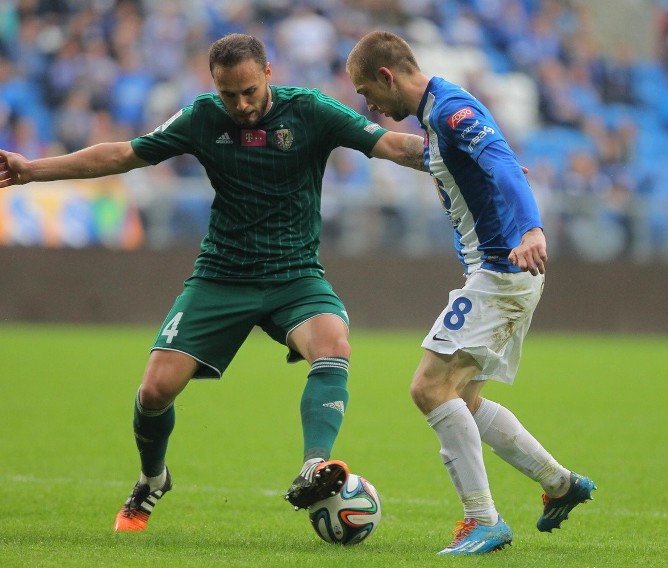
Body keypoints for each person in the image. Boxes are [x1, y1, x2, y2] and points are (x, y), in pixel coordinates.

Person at [0, 33, 425, 532]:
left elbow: (394, 144)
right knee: (156, 390)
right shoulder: (203, 117)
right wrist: (32, 169)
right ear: (214, 86)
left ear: (269, 73)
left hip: (295, 275)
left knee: (334, 344)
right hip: (223, 275)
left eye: (248, 91)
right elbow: (121, 155)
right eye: (229, 94)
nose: (241, 105)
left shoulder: (310, 110)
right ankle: (153, 478)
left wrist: (469, 152)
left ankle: (314, 464)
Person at [345, 31, 596, 555]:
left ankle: (483, 520)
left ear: (388, 77)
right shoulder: (436, 116)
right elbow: (478, 161)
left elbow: (502, 160)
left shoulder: (450, 110)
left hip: (501, 271)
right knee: (465, 397)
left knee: (428, 389)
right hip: (500, 275)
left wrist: (531, 227)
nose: (369, 104)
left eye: (368, 92)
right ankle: (559, 484)